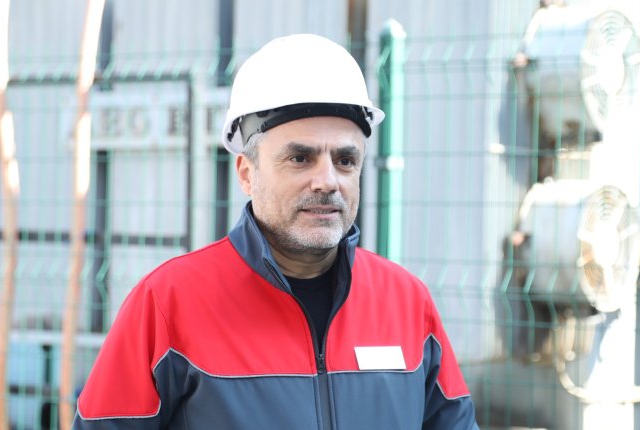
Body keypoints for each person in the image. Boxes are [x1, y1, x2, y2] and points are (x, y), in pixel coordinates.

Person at [73, 33, 479, 429]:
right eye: (300, 158)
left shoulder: (407, 303)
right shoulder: (167, 305)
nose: (328, 181)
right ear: (246, 173)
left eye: (345, 160)